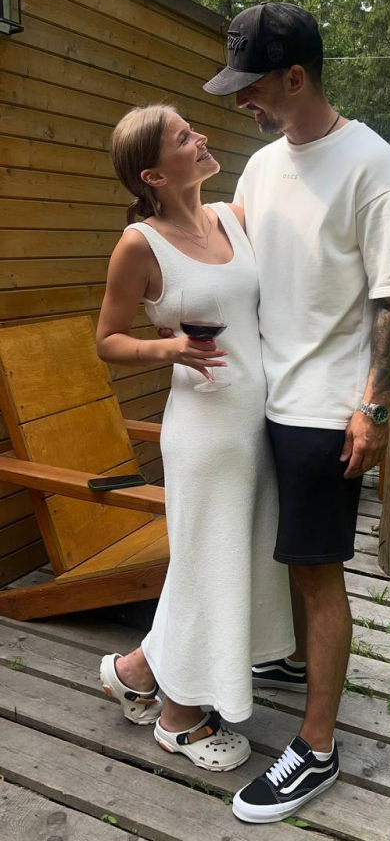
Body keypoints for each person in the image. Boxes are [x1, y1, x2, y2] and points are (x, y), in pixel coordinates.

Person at [203, 2, 390, 822]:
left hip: (325, 410)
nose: (240, 102)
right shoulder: (261, 168)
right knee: (287, 557)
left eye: (251, 86)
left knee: (317, 572)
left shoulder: (374, 166)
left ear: (295, 77)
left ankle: (318, 747)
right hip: (263, 395)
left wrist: (373, 407)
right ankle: (296, 661)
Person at [95, 103, 295, 773]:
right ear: (153, 174)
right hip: (204, 431)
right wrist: (171, 348)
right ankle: (178, 717)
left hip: (254, 421)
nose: (200, 136)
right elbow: (108, 340)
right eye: (183, 138)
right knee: (208, 565)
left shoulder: (233, 218)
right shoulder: (140, 244)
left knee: (225, 559)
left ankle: (135, 671)